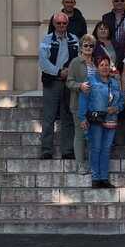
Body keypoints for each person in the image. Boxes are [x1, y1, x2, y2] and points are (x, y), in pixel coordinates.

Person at [77, 55, 124, 188]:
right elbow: (83, 100)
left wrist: (116, 108)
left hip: (111, 120)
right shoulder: (90, 81)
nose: (104, 67)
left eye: (106, 65)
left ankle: (104, 178)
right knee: (95, 148)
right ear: (97, 67)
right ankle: (96, 178)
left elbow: (121, 100)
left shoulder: (115, 82)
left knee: (106, 149)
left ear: (110, 67)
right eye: (101, 65)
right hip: (95, 120)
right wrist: (82, 117)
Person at [38, 12, 80, 160]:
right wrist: (58, 72)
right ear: (54, 24)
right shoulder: (46, 39)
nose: (61, 26)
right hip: (52, 82)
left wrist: (70, 72)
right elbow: (43, 62)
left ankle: (67, 150)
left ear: (67, 24)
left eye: (64, 23)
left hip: (69, 83)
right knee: (49, 117)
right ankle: (46, 150)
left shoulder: (74, 39)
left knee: (67, 117)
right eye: (58, 23)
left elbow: (78, 58)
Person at [65, 34, 99, 171]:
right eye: (86, 45)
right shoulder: (75, 62)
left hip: (95, 104)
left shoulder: (96, 62)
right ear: (81, 47)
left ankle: (92, 164)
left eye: (91, 46)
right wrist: (80, 86)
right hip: (79, 104)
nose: (88, 48)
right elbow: (69, 82)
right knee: (80, 134)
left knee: (93, 135)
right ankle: (80, 164)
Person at [101, 0, 125, 68]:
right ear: (113, 2)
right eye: (116, 0)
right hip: (111, 51)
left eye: (122, 0)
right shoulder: (106, 17)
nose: (119, 2)